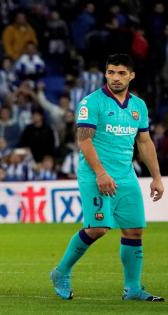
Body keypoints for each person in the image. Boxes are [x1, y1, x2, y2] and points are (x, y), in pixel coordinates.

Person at [50, 54, 165, 302]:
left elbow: (144, 142)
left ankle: (132, 289)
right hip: (95, 174)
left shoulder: (139, 106)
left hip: (126, 176)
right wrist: (101, 173)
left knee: (134, 231)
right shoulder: (91, 102)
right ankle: (60, 272)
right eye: (111, 72)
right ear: (105, 74)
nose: (115, 77)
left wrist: (156, 177)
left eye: (121, 73)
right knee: (99, 229)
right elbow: (84, 139)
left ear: (132, 75)